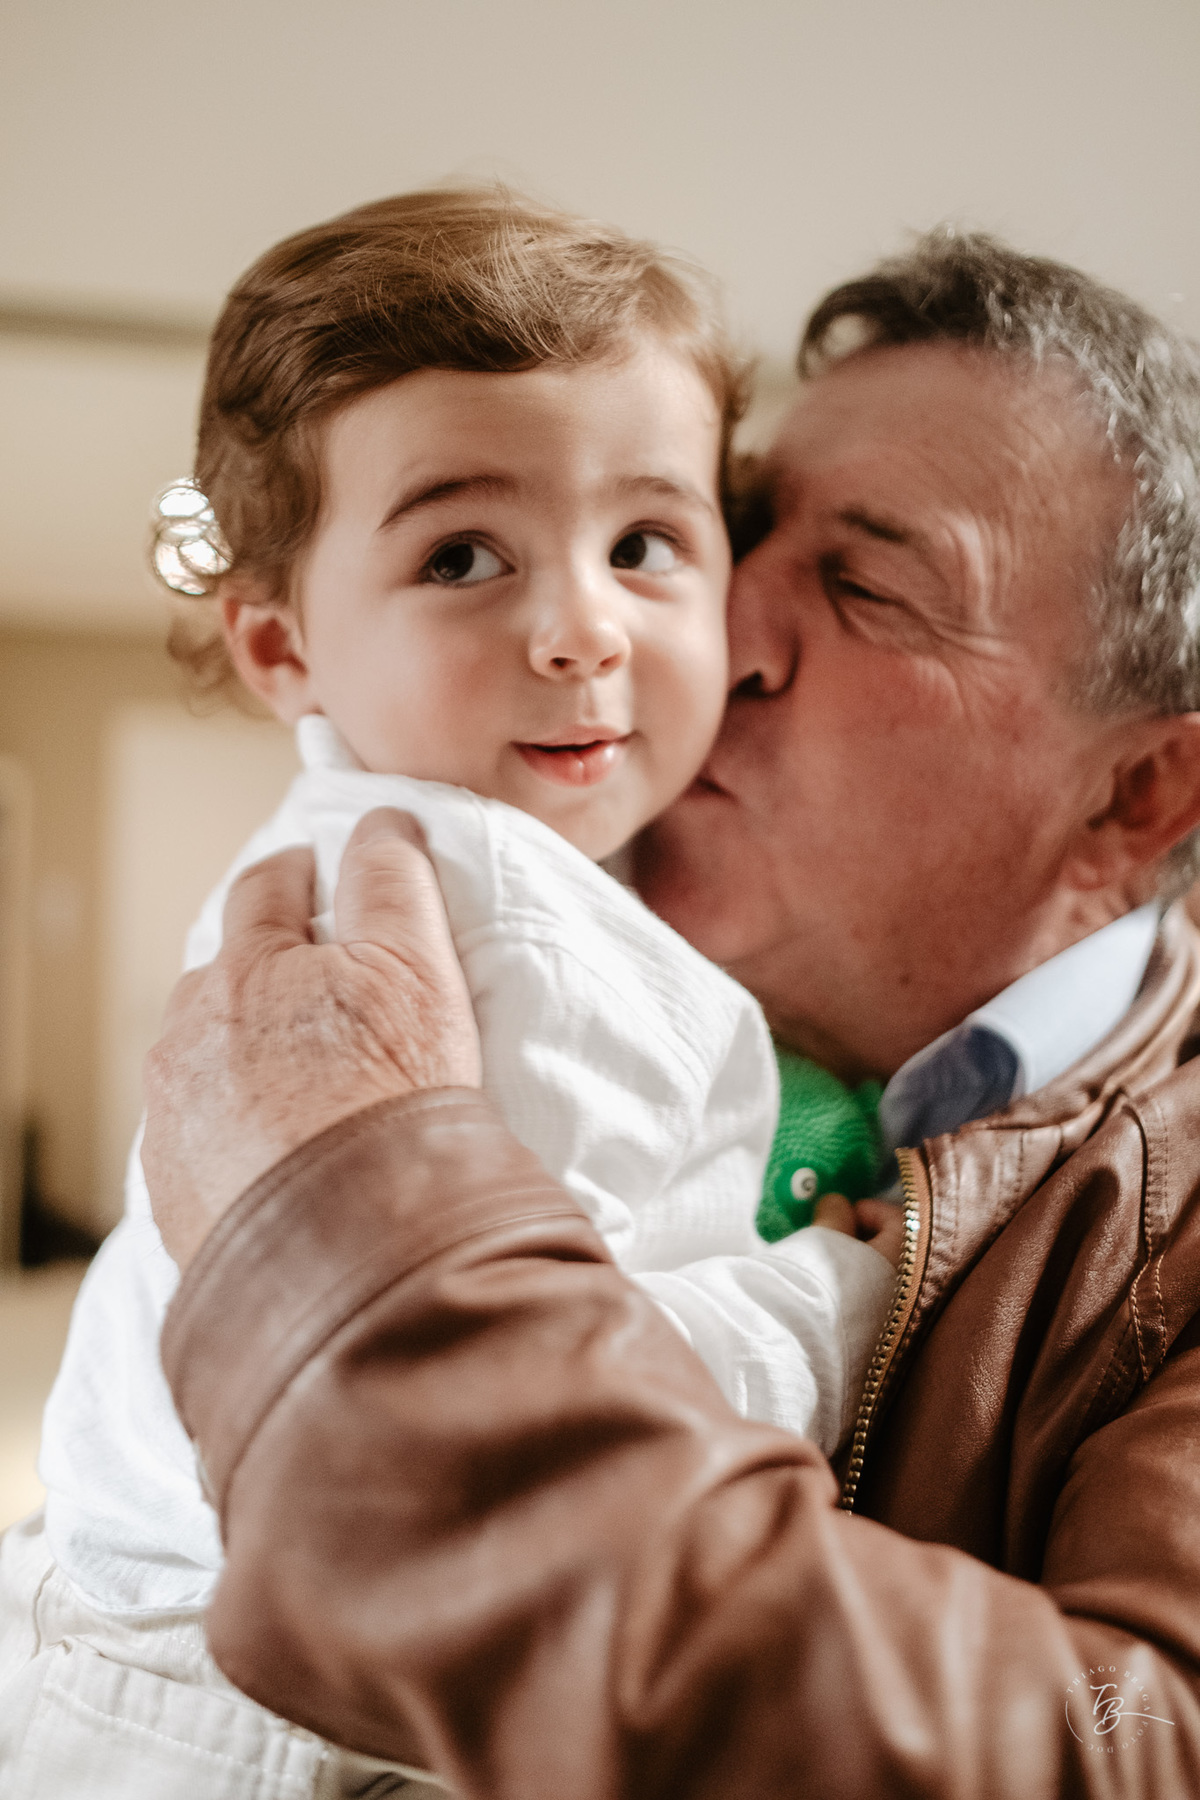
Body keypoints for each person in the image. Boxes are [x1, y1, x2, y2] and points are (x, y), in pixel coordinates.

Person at [136, 232, 1200, 1797]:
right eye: (739, 526)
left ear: (1134, 793)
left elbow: (1136, 1754)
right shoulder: (459, 914)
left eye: (861, 582)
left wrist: (365, 1262)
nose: (695, 631)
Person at [0, 191, 899, 1797]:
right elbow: (562, 1411)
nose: (580, 629)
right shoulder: (502, 920)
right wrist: (842, 1295)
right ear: (282, 648)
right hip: (288, 1724)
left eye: (645, 542)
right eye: (463, 555)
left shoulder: (394, 853)